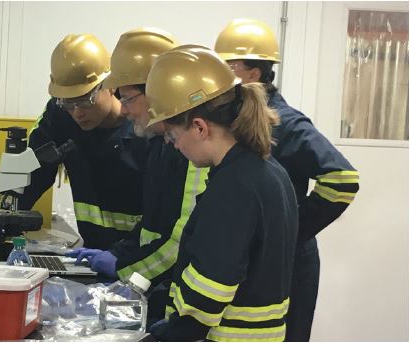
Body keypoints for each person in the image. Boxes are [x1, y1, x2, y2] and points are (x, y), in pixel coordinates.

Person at [214, 18, 360, 341]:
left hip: (290, 263)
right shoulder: (237, 122)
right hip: (256, 259)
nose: (221, 75)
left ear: (254, 72)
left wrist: (291, 229)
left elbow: (343, 178)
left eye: (229, 65)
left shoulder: (285, 123)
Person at [146, 45, 299, 341]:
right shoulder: (267, 171)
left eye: (173, 136)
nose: (174, 146)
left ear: (200, 127)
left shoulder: (234, 187)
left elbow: (208, 293)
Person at [66, 28, 209, 290]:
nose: (125, 109)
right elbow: (152, 225)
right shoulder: (159, 143)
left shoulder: (194, 153)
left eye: (129, 98)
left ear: (158, 92)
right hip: (158, 286)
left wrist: (123, 270)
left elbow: (180, 241)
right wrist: (118, 253)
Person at [19, 33, 147, 250]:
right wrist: (5, 219)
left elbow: (163, 213)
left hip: (140, 256)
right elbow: (32, 173)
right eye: (68, 103)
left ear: (110, 85)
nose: (77, 113)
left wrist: (122, 256)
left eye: (85, 101)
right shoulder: (59, 115)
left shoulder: (145, 131)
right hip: (92, 254)